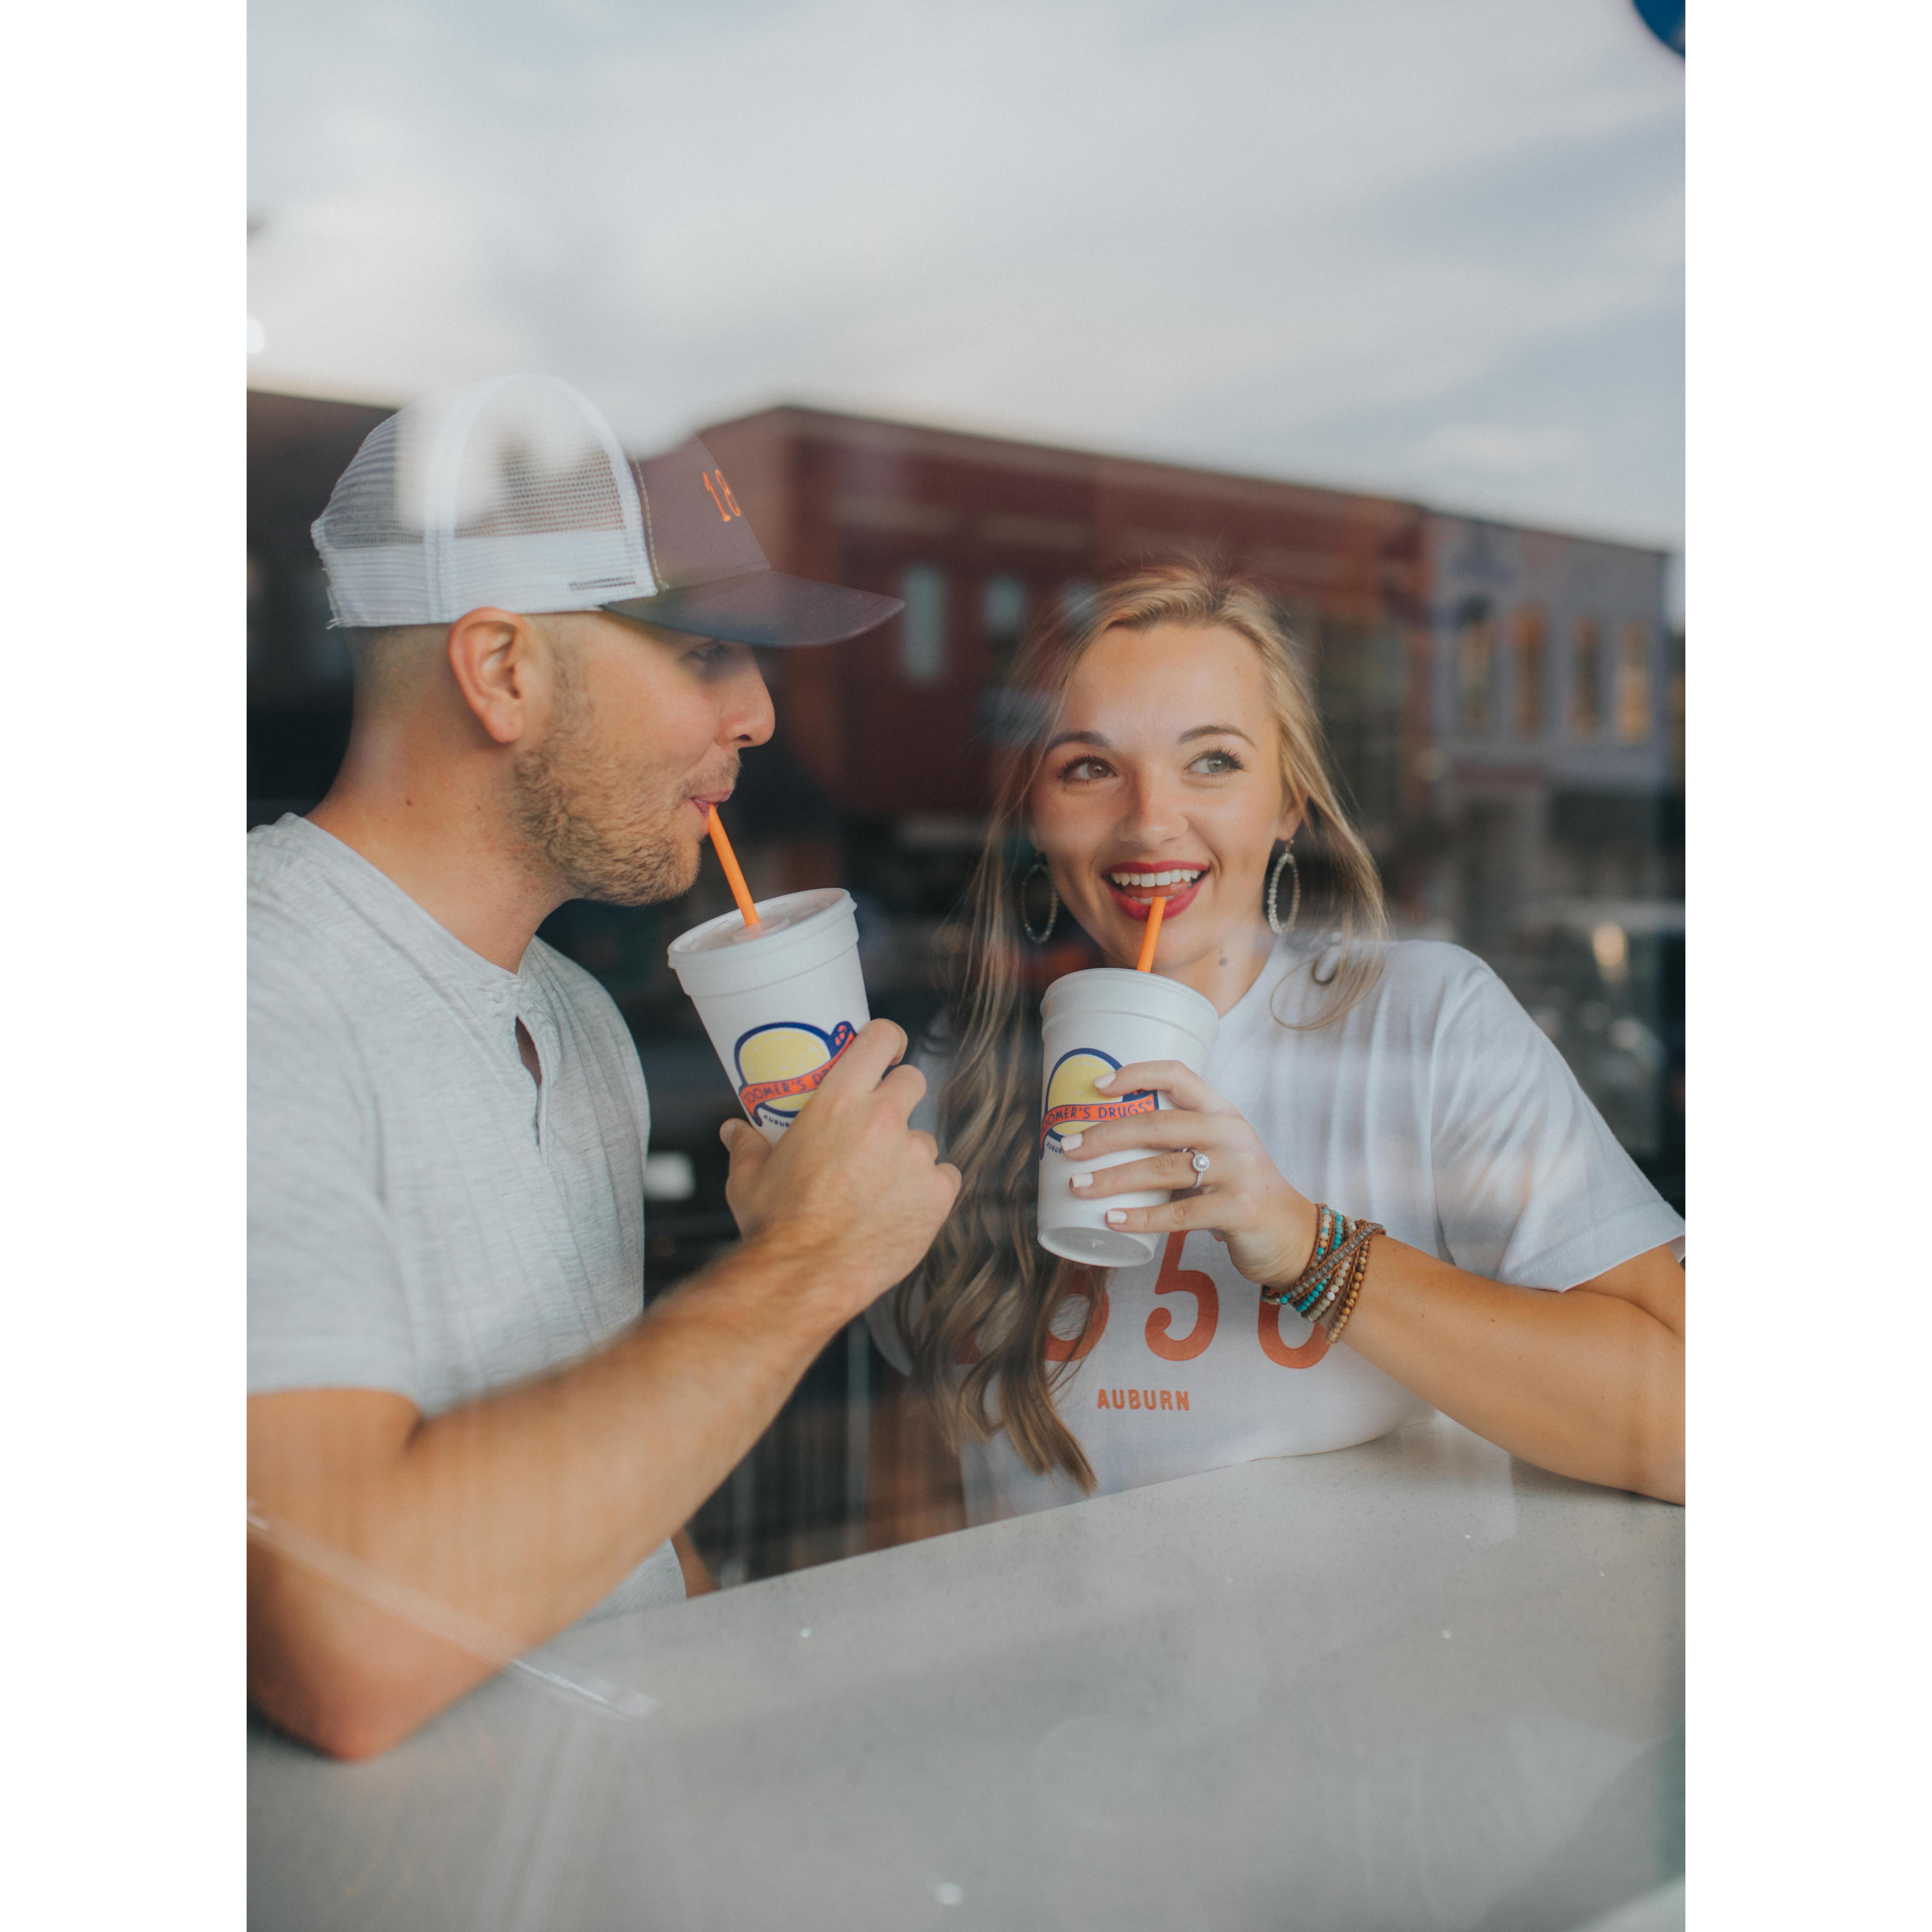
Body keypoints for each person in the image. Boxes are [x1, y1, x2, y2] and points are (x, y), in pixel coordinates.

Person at [249, 375, 959, 1760]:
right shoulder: (237, 988)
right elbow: (343, 1640)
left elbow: (611, 1498)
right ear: (503, 668)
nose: (758, 712)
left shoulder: (575, 1021)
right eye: (704, 651)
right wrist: (803, 1265)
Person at [870, 562, 1684, 1528]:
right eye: (1088, 766)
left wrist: (1306, 1245)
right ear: (1035, 815)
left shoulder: (1421, 1023)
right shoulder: (959, 1073)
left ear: (1288, 801)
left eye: (1211, 760)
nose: (1149, 821)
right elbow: (921, 1460)